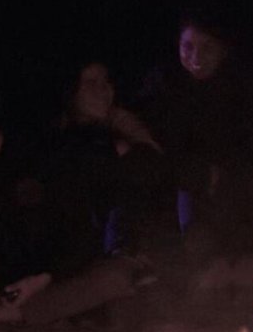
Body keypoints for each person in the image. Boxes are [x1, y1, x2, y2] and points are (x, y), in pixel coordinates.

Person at [0, 87, 143, 329]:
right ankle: (44, 312)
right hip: (9, 281)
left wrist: (41, 279)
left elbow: (80, 235)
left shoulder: (39, 160)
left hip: (58, 272)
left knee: (112, 279)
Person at [135, 13, 253, 292]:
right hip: (189, 196)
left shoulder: (245, 91)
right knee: (207, 270)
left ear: (223, 49)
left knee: (249, 274)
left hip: (244, 200)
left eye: (207, 47)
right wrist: (200, 173)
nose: (196, 57)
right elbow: (162, 153)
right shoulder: (164, 87)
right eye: (188, 46)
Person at [52, 59, 172, 259]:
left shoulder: (106, 135)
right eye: (91, 83)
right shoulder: (80, 147)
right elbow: (158, 169)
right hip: (106, 261)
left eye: (106, 81)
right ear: (71, 92)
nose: (103, 89)